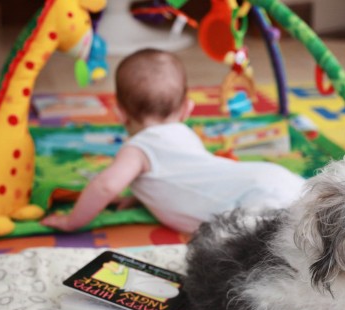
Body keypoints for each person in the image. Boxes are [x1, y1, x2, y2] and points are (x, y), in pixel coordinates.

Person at [41, 48, 305, 233]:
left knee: (274, 248)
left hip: (249, 203)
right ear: (187, 109)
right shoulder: (184, 134)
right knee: (311, 222)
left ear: (119, 113)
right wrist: (142, 195)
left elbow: (105, 186)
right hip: (266, 178)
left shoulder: (137, 149)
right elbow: (183, 177)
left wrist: (72, 221)